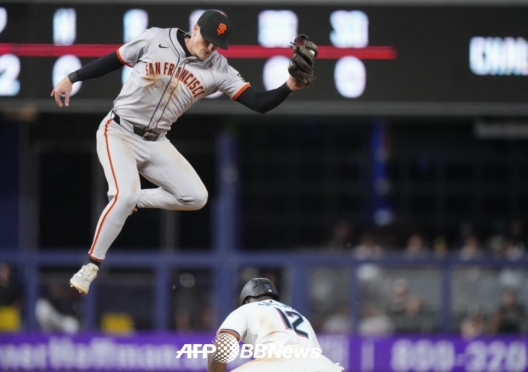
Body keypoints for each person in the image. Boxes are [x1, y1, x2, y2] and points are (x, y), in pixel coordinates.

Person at [50, 10, 312, 295]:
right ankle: (91, 265)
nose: (210, 47)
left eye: (217, 43)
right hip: (119, 131)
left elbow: (258, 102)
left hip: (157, 140)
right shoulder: (155, 38)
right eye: (208, 38)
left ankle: (134, 200)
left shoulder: (218, 68)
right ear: (195, 29)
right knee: (123, 195)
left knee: (196, 196)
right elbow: (114, 60)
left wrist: (289, 87)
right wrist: (72, 77)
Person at [208, 278, 343, 372]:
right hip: (322, 365)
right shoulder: (300, 316)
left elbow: (222, 348)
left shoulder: (246, 309)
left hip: (277, 362)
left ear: (247, 300)